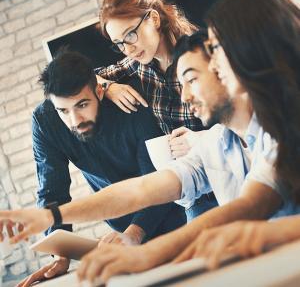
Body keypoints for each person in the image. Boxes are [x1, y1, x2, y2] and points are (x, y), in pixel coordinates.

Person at [1, 29, 297, 283]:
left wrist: (150, 252)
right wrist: (50, 216)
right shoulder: (214, 143)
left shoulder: (281, 130)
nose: (184, 97)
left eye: (191, 80)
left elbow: (250, 206)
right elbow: (144, 188)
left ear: (227, 71)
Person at [8, 50, 186, 287]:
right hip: (121, 232)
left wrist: (135, 233)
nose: (75, 120)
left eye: (82, 104)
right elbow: (52, 191)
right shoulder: (44, 121)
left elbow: (157, 180)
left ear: (100, 91)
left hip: (176, 217)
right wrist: (61, 254)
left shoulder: (133, 102)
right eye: (63, 110)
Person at [169, 0, 300, 268]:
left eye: (215, 49)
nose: (214, 65)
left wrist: (271, 232)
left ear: (249, 42)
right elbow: (250, 203)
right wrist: (147, 254)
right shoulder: (281, 121)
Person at [96, 0, 218, 220]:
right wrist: (108, 87)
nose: (128, 49)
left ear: (153, 18)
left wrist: (201, 140)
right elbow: (87, 77)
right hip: (191, 192)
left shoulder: (199, 50)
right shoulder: (139, 63)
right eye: (119, 43)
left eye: (130, 35)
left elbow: (245, 119)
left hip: (226, 173)